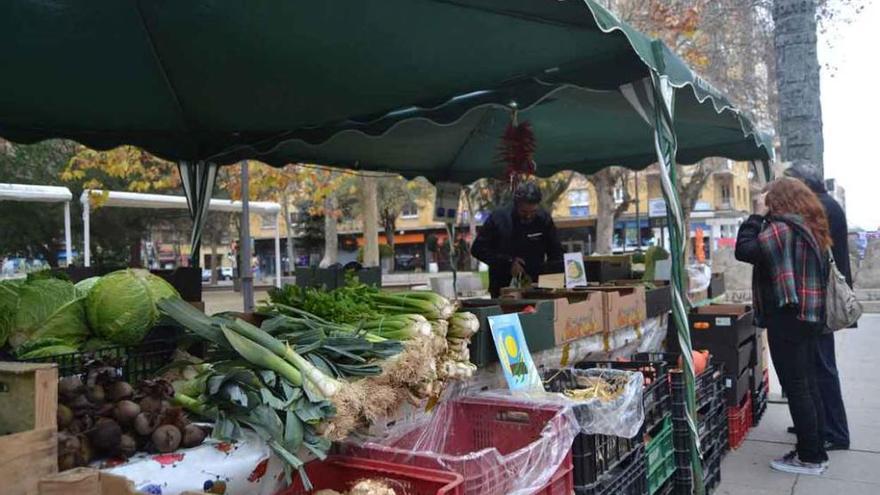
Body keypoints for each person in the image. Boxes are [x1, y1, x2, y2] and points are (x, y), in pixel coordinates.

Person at [735, 177, 831, 475]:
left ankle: (810, 457)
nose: (765, 201)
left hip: (788, 315)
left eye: (768, 198)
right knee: (807, 384)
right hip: (809, 314)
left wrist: (754, 216)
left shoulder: (782, 228)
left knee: (797, 386)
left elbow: (745, 250)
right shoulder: (808, 226)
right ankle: (814, 448)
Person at [784, 162, 851, 451]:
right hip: (820, 299)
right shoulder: (824, 204)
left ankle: (835, 432)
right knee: (815, 366)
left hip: (820, 301)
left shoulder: (820, 207)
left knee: (822, 367)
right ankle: (817, 423)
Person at [471, 182, 564, 297]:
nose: (529, 216)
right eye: (524, 212)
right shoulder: (498, 218)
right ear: (516, 205)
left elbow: (556, 252)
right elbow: (477, 249)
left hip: (536, 287)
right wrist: (508, 262)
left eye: (533, 212)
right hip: (502, 287)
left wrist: (553, 278)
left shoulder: (543, 220)